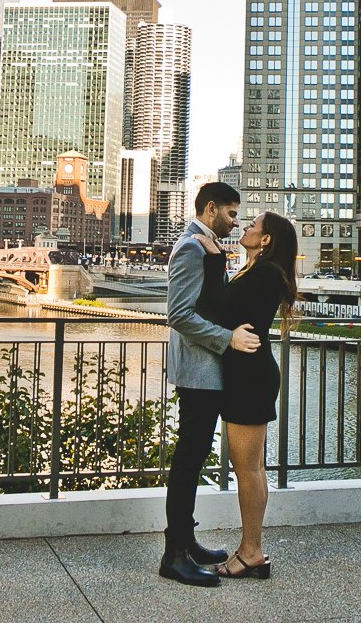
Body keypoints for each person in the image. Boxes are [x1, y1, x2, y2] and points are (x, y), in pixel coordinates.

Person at [159, 182, 260, 587]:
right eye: (232, 214)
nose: (235, 223)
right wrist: (227, 338)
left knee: (194, 456)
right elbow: (179, 315)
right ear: (212, 208)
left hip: (207, 372)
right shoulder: (190, 247)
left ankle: (187, 541)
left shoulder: (207, 246)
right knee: (188, 460)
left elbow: (211, 301)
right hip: (198, 373)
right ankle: (174, 555)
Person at [192, 210, 299, 580]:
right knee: (250, 467)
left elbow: (218, 309)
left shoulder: (266, 273)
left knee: (248, 468)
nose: (245, 227)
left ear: (266, 239)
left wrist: (213, 259)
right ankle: (251, 550)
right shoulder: (255, 270)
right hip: (246, 372)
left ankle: (251, 552)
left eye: (253, 225)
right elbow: (228, 311)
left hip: (251, 375)